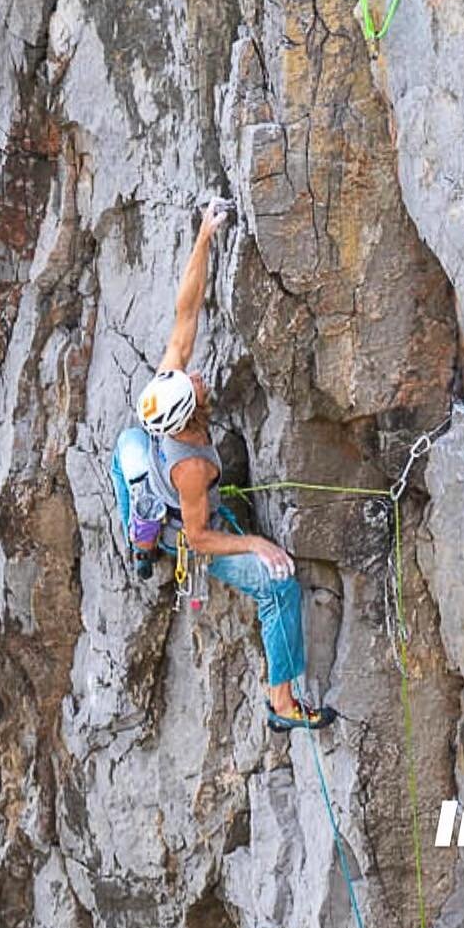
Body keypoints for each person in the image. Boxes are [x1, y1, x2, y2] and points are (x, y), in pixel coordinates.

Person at [115, 202, 335, 733]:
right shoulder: (190, 468)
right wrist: (257, 544)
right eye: (194, 387)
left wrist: (205, 236)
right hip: (185, 528)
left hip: (144, 471)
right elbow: (200, 536)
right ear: (188, 418)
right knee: (276, 584)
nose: (197, 378)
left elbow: (185, 312)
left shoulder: (168, 393)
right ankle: (282, 703)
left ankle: (139, 533)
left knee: (127, 450)